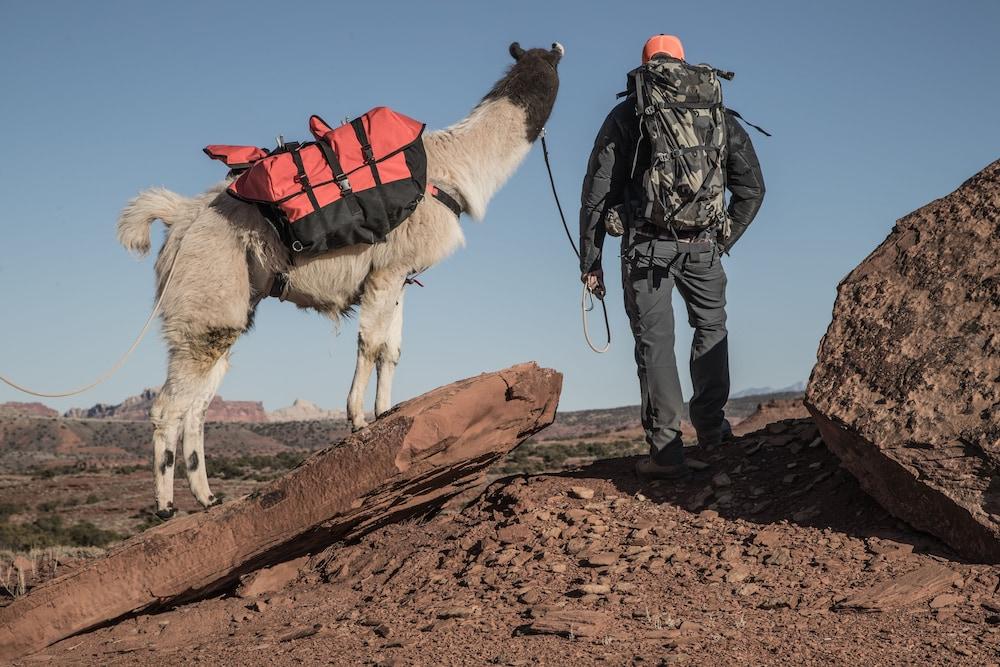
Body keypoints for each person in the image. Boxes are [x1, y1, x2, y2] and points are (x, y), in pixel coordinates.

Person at [579, 34, 765, 479]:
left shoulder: (631, 112)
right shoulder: (716, 113)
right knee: (711, 328)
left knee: (655, 343)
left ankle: (665, 452)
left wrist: (590, 260)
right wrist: (721, 241)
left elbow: (596, 194)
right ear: (685, 63)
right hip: (704, 247)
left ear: (645, 63)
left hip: (647, 248)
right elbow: (752, 189)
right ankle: (714, 431)